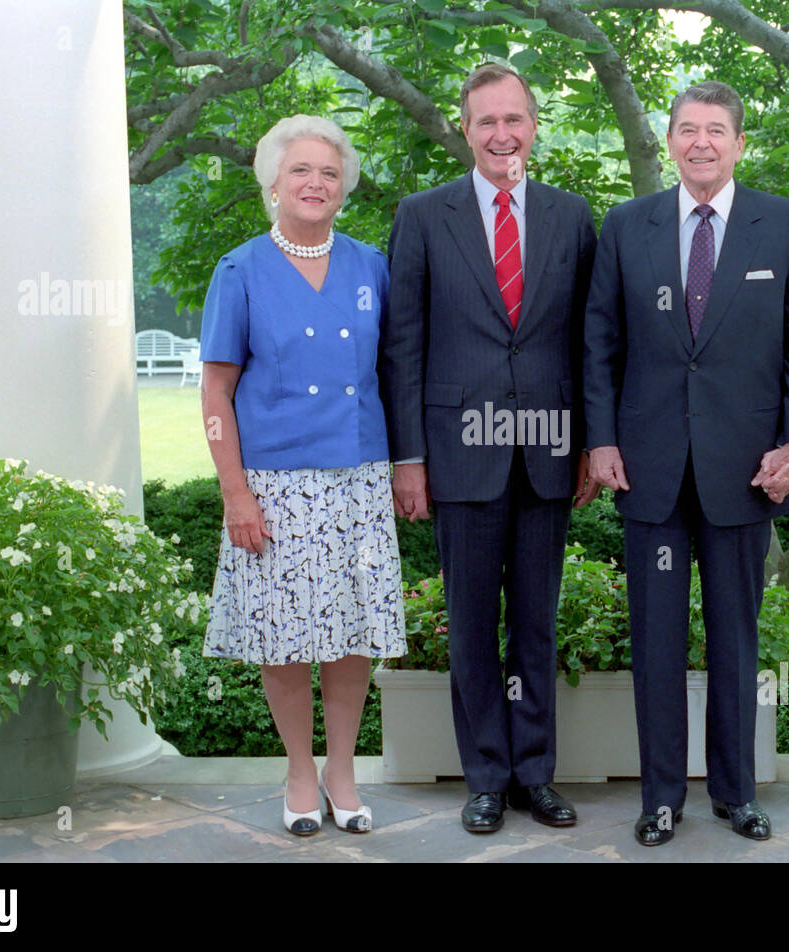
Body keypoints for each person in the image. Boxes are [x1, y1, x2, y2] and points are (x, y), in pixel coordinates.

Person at [584, 81, 789, 847]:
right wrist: (600, 440)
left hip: (745, 471)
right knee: (655, 641)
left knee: (735, 638)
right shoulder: (626, 226)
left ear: (739, 143)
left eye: (716, 130)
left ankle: (735, 792)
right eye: (687, 130)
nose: (701, 143)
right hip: (648, 468)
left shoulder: (784, 226)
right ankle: (659, 799)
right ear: (670, 142)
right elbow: (599, 345)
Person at [380, 64, 599, 834]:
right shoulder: (421, 215)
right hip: (457, 453)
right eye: (485, 122)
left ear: (533, 124)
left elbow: (588, 342)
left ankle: (534, 774)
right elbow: (402, 346)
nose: (501, 134)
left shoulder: (573, 217)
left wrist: (589, 445)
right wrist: (408, 458)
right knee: (471, 624)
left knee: (537, 620)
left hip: (546, 452)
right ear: (463, 129)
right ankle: (485, 774)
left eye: (514, 119)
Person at [199, 115, 405, 837]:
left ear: (343, 184)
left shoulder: (372, 266)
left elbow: (395, 374)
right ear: (273, 184)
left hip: (357, 480)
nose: (315, 183)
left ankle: (342, 771)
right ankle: (297, 769)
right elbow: (216, 393)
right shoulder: (240, 270)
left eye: (328, 171)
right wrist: (235, 493)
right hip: (275, 487)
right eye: (300, 171)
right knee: (283, 640)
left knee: (350, 637)